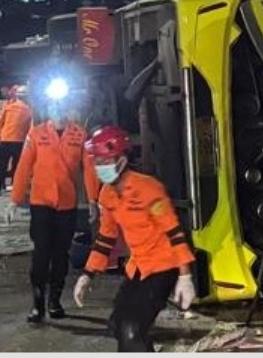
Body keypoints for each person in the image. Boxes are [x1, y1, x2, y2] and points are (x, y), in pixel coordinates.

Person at [73, 126, 196, 352]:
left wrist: (185, 276)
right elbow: (105, 237)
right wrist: (87, 275)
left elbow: (174, 233)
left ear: (121, 160)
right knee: (119, 325)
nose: (100, 167)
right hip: (139, 266)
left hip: (164, 267)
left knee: (131, 328)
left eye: (105, 161)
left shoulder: (149, 189)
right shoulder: (107, 194)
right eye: (97, 162)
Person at [6, 106, 99, 323]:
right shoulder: (36, 134)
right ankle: (38, 303)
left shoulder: (79, 134)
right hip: (41, 204)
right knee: (41, 254)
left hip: (67, 206)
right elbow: (23, 167)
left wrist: (93, 200)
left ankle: (54, 301)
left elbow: (89, 168)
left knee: (60, 255)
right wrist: (14, 200)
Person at [0, 86, 33, 196]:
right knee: (17, 166)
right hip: (19, 141)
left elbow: (0, 123)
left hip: (5, 139)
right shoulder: (29, 110)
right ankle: (15, 187)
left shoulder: (9, 107)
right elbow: (30, 128)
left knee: (1, 165)